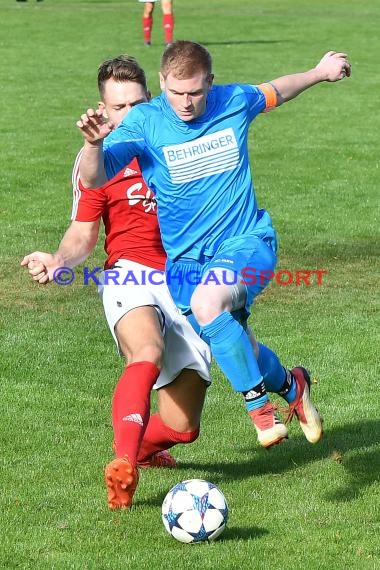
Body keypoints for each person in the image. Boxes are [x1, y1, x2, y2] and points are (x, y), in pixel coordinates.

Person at [77, 42, 346, 453]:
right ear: (162, 82)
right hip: (186, 266)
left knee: (208, 304)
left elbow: (278, 88)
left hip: (247, 244)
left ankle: (261, 412)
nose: (186, 103)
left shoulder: (233, 101)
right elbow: (95, 179)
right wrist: (94, 145)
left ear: (210, 83)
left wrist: (318, 71)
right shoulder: (145, 123)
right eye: (177, 92)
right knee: (235, 340)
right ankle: (293, 386)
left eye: (196, 92)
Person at [21, 55, 212, 510]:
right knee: (145, 350)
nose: (129, 115)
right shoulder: (98, 160)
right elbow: (84, 231)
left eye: (137, 103)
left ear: (152, 99)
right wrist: (61, 260)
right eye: (118, 107)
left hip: (186, 279)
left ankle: (142, 450)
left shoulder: (180, 141)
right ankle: (123, 468)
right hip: (128, 273)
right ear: (102, 111)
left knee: (183, 428)